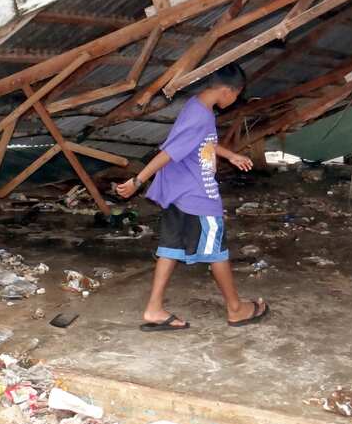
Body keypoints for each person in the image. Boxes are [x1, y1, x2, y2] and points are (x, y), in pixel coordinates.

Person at [114, 63, 270, 332]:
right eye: (237, 95)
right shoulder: (200, 115)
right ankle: (236, 309)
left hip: (179, 192)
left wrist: (230, 155)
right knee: (217, 251)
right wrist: (138, 180)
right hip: (197, 194)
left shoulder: (197, 106)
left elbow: (202, 141)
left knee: (170, 248)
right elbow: (169, 152)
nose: (235, 101)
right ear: (227, 91)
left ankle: (154, 308)